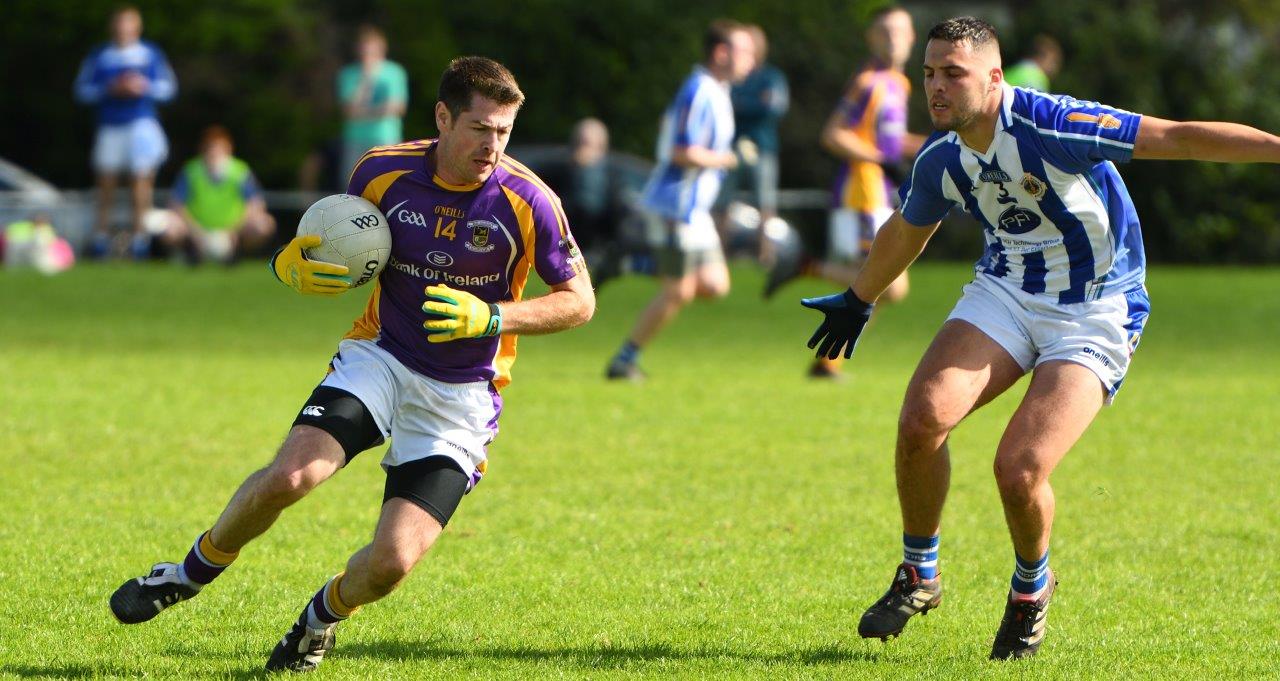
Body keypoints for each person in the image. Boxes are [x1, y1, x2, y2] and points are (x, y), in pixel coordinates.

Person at [800, 16, 1280, 661]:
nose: (936, 88)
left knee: (1019, 468)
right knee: (921, 420)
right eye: (929, 74)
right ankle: (921, 571)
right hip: (1008, 292)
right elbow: (907, 230)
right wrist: (860, 298)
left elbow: (1179, 136)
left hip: (1097, 307)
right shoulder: (943, 156)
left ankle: (1031, 589)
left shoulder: (1055, 125)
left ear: (995, 78)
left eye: (954, 74)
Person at [108, 56, 594, 673]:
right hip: (381, 356)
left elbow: (582, 301)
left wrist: (493, 316)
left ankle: (321, 619)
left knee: (391, 563)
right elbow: (335, 240)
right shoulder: (381, 171)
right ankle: (188, 572)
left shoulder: (530, 202)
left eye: (503, 130)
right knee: (290, 477)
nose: (492, 145)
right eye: (479, 127)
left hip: (463, 395)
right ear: (442, 118)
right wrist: (292, 264)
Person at [767, 5, 922, 379]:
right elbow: (833, 134)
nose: (893, 39)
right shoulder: (868, 82)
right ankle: (806, 264)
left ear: (913, 38)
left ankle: (827, 362)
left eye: (900, 31)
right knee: (891, 286)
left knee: (877, 287)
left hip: (879, 195)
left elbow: (889, 140)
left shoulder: (898, 84)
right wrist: (879, 160)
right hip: (860, 195)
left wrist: (932, 144)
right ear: (871, 38)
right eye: (885, 31)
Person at [605, 20, 756, 381]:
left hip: (695, 210)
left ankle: (631, 264)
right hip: (677, 204)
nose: (751, 60)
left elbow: (667, 126)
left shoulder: (714, 90)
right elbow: (680, 150)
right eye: (744, 51)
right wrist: (727, 159)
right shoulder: (701, 90)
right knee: (679, 290)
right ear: (721, 53)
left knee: (715, 284)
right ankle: (623, 361)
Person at [74, 5, 177, 259]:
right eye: (120, 23)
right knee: (105, 181)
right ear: (113, 27)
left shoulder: (150, 54)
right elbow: (82, 90)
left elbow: (168, 88)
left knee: (140, 180)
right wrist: (110, 88)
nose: (123, 29)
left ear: (137, 27)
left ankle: (140, 239)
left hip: (140, 124)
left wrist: (143, 87)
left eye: (128, 23)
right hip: (110, 125)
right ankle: (100, 237)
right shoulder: (100, 55)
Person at [162, 126, 276, 264]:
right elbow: (175, 204)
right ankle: (189, 253)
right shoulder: (191, 171)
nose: (214, 152)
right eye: (210, 148)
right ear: (203, 150)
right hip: (197, 230)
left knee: (264, 224)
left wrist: (233, 231)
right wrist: (195, 232)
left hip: (232, 230)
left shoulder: (240, 171)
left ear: (228, 149)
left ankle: (237, 253)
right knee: (167, 226)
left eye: (218, 148)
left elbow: (256, 204)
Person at [729, 24, 789, 257]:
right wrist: (754, 103)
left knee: (765, 204)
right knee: (722, 203)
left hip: (763, 147)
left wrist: (742, 105)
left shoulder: (771, 77)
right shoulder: (734, 77)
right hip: (733, 148)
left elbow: (773, 108)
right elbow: (727, 105)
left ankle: (766, 254)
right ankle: (722, 254)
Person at [337, 26, 408, 180]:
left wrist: (362, 113)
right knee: (351, 183)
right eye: (365, 50)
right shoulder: (349, 74)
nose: (368, 55)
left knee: (388, 182)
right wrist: (366, 79)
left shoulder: (394, 72)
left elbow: (397, 107)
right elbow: (349, 111)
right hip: (355, 139)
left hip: (386, 139)